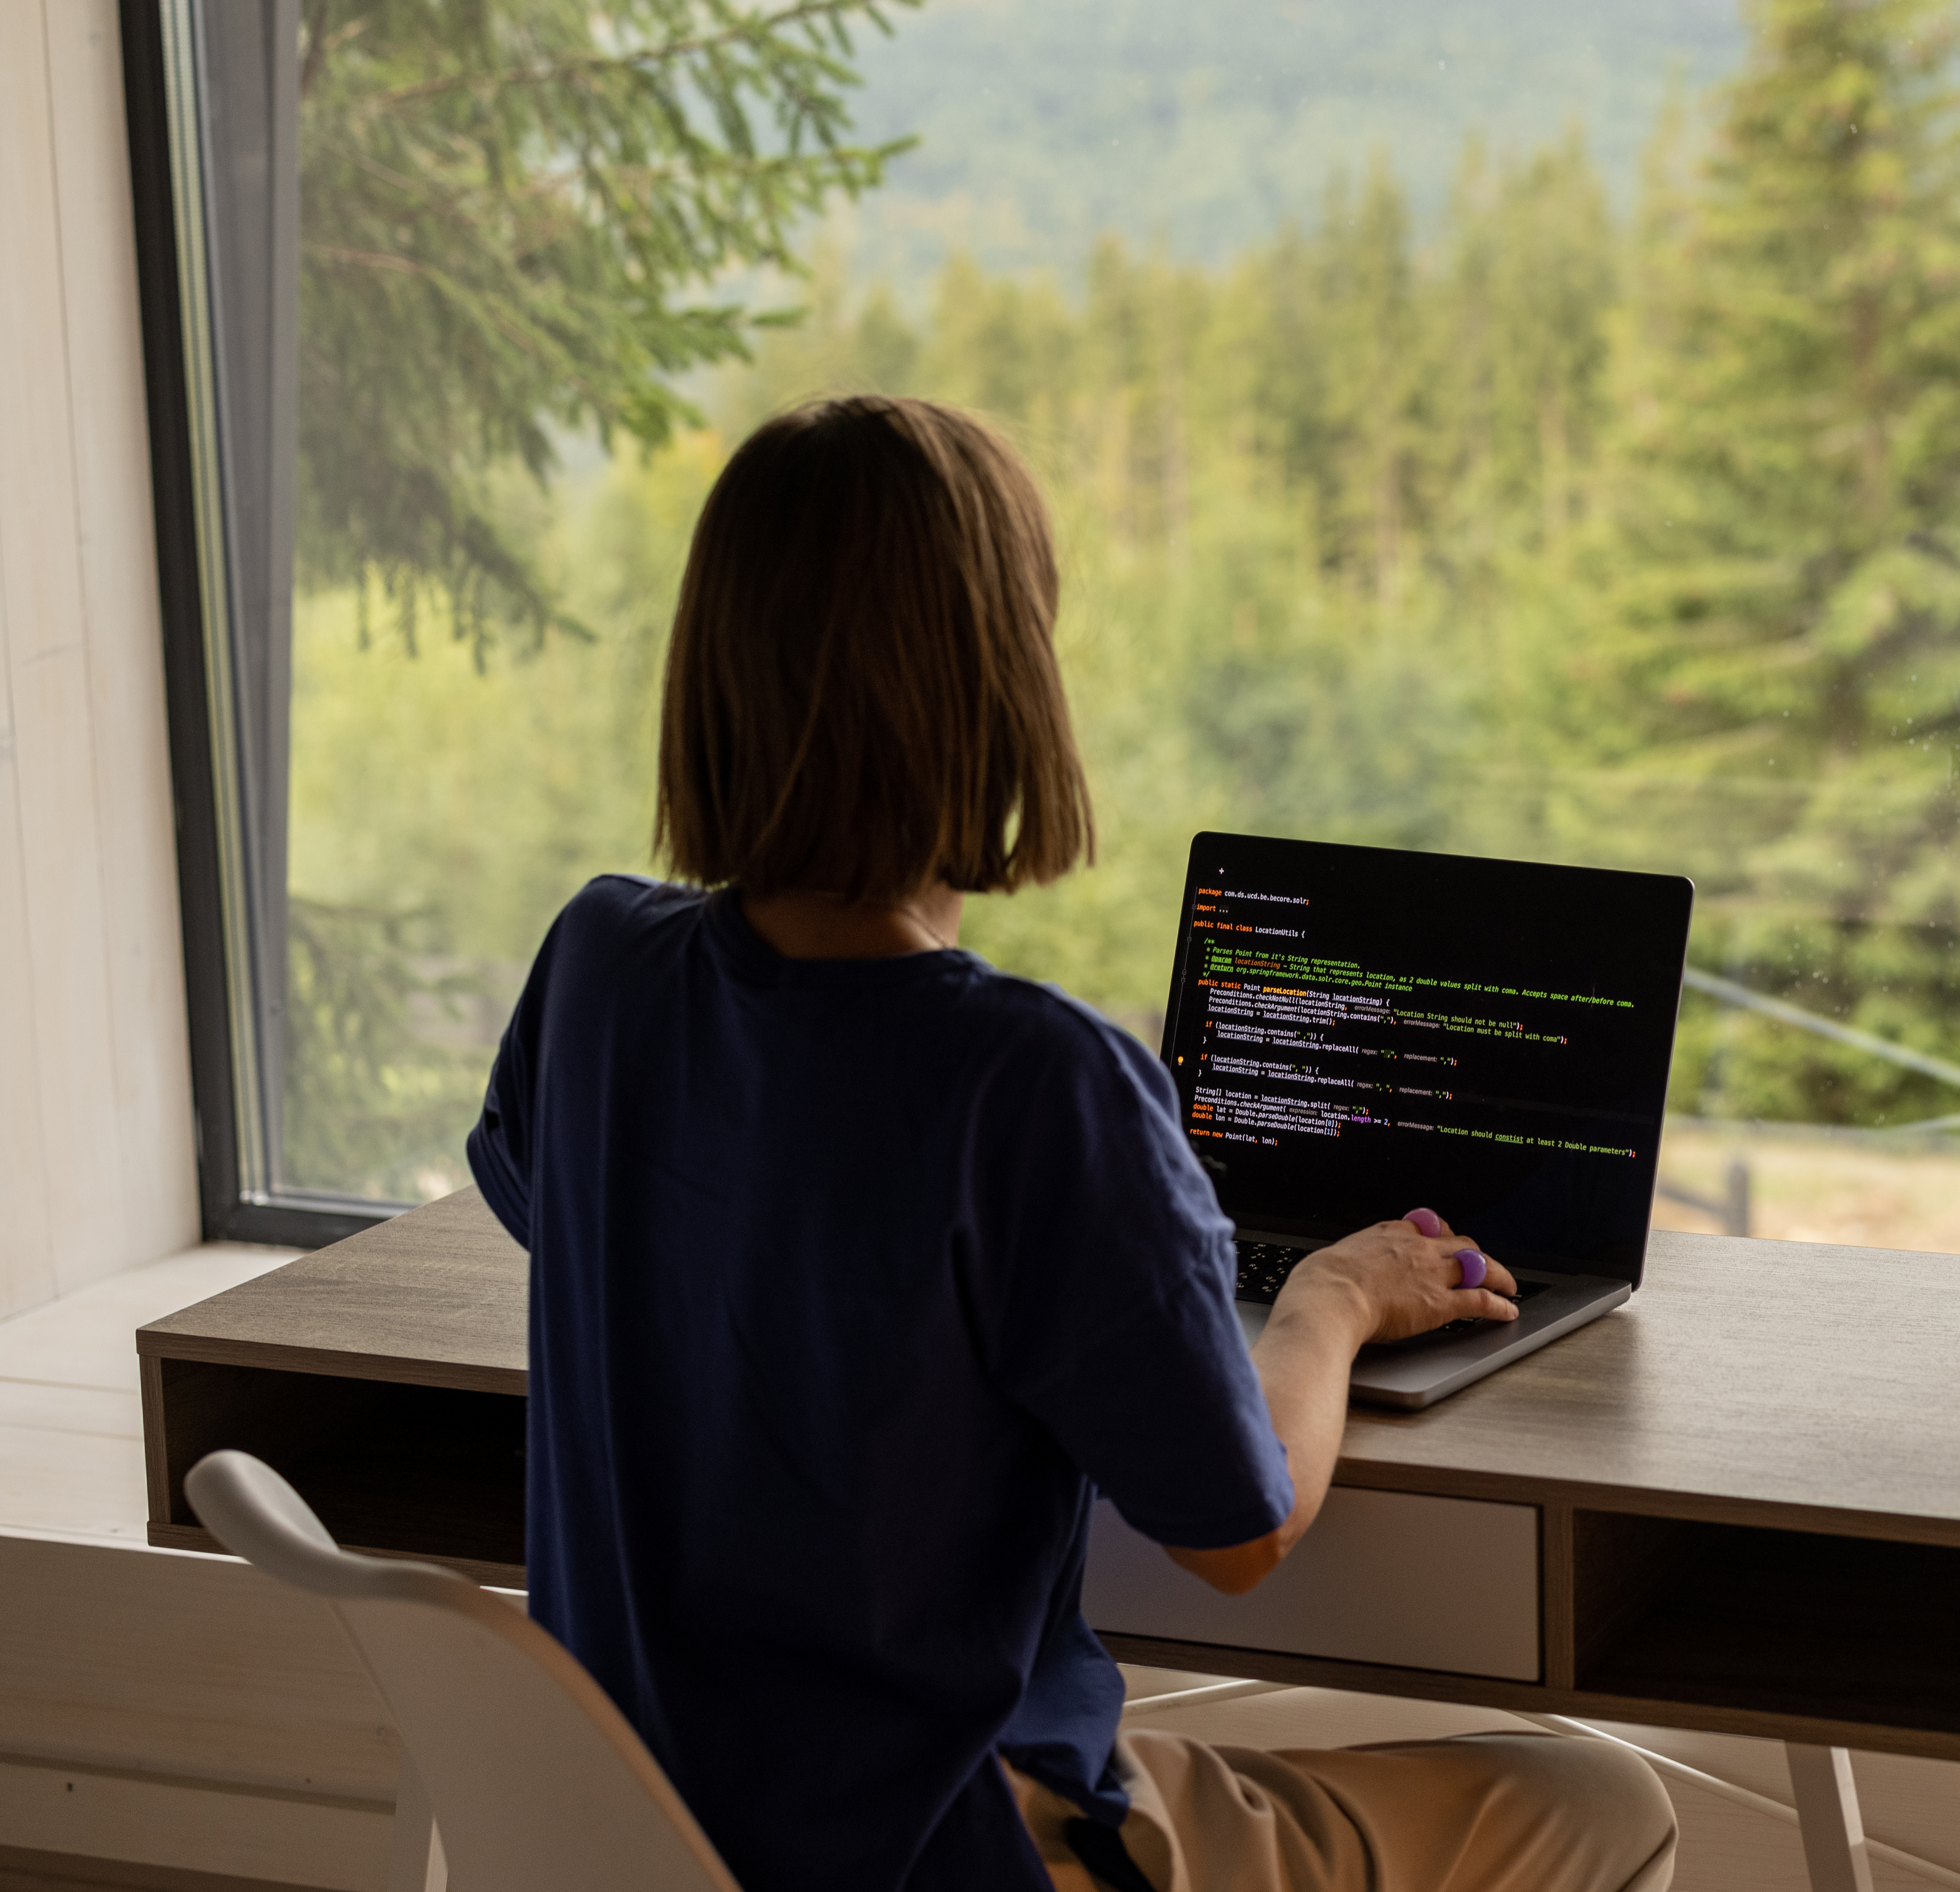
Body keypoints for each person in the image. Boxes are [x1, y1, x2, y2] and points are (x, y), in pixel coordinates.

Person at [464, 395, 1678, 1892]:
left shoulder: (595, 963)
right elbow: (1240, 1530)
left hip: (643, 1829)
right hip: (940, 1849)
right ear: (1001, 684)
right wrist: (1336, 1301)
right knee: (1597, 1799)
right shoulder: (1035, 1083)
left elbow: (572, 1204)